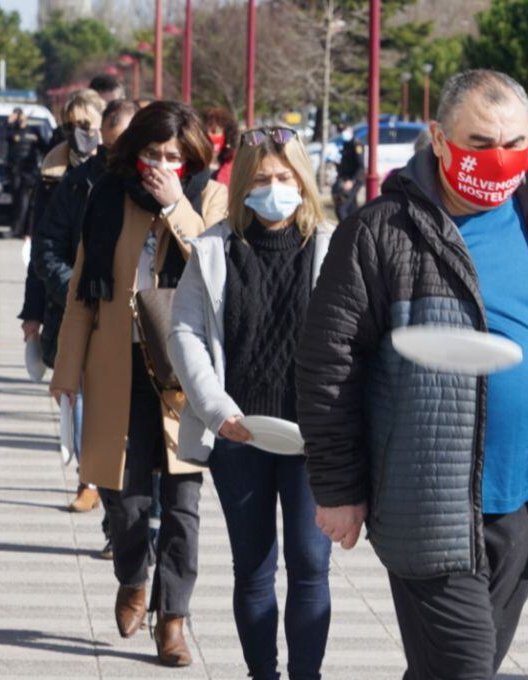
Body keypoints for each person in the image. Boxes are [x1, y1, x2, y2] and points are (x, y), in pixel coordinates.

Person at [295, 69, 528, 680]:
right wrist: (338, 487)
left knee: (454, 667)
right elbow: (328, 363)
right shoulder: (380, 232)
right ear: (439, 139)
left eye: (516, 143)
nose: (500, 158)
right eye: (480, 143)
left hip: (523, 490)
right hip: (430, 499)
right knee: (466, 668)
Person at [49, 101, 228, 667]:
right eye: (153, 154)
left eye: (175, 156)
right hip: (117, 364)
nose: (162, 165)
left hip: (183, 372)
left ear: (192, 158)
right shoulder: (109, 196)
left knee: (182, 501)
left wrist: (175, 206)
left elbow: (217, 269)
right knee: (124, 500)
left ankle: (172, 619)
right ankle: (132, 575)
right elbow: (83, 289)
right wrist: (66, 371)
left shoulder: (208, 198)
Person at [168, 127, 333, 680]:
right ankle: (262, 673)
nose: (274, 188)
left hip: (314, 438)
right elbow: (185, 333)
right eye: (261, 179)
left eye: (285, 177)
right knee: (254, 568)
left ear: (303, 181)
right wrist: (218, 411)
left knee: (310, 564)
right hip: (239, 433)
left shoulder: (332, 247)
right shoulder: (214, 249)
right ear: (242, 184)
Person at [33, 99, 137, 531]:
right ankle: (91, 482)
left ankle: (133, 522)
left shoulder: (161, 190)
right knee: (83, 403)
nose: (116, 156)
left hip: (141, 328)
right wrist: (76, 292)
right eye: (110, 147)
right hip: (84, 316)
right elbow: (46, 249)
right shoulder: (77, 184)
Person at [18, 90, 106, 405]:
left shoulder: (118, 174)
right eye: (70, 126)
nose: (80, 133)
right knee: (74, 405)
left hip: (108, 300)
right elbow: (42, 251)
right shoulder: (52, 173)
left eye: (87, 124)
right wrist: (33, 314)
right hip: (63, 299)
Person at [6, 108, 42, 238]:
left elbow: (43, 146)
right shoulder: (12, 130)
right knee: (17, 201)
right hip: (15, 171)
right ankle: (16, 228)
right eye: (18, 115)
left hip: (29, 171)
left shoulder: (33, 131)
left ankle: (25, 230)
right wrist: (9, 122)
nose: (20, 117)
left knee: (26, 201)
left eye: (21, 114)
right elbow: (3, 137)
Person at [331, 125, 364, 221]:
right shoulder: (346, 144)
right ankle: (355, 226)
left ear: (350, 131)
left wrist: (352, 181)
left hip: (354, 180)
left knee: (342, 208)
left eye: (344, 131)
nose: (343, 134)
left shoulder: (356, 145)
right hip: (345, 178)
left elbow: (360, 166)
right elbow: (346, 163)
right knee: (352, 208)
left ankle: (346, 228)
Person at [201, 107, 239, 185]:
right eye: (205, 132)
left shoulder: (236, 166)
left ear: (227, 136)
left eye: (214, 132)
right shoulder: (192, 166)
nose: (209, 136)